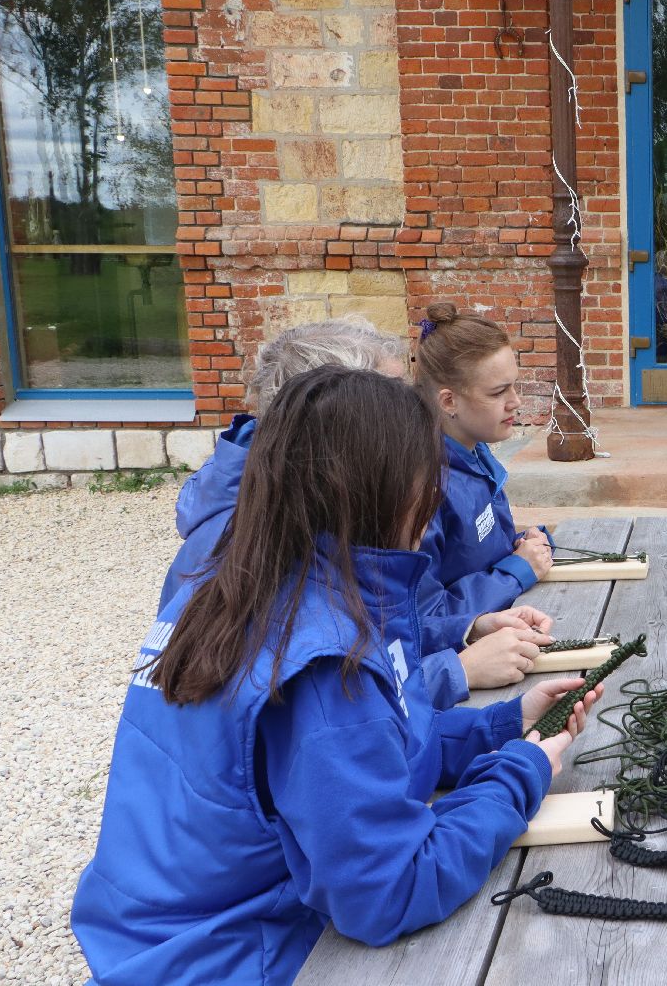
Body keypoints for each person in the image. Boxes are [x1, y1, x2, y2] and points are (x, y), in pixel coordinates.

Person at [73, 367, 603, 986]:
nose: (433, 497)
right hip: (238, 956)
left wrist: (503, 726)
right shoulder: (325, 661)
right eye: (425, 478)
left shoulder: (231, 583)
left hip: (146, 940)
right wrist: (522, 772)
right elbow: (388, 891)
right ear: (384, 491)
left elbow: (367, 754)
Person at [158, 318, 547, 711]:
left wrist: (464, 629)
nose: (416, 413)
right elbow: (330, 708)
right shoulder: (258, 540)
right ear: (332, 416)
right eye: (393, 399)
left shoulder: (310, 506)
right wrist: (455, 670)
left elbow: (378, 628)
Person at [413, 303, 555, 631]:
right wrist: (516, 571)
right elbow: (424, 616)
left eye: (514, 385)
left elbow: (477, 555)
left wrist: (525, 545)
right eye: (498, 392)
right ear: (449, 401)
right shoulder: (422, 488)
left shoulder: (474, 452)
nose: (515, 401)